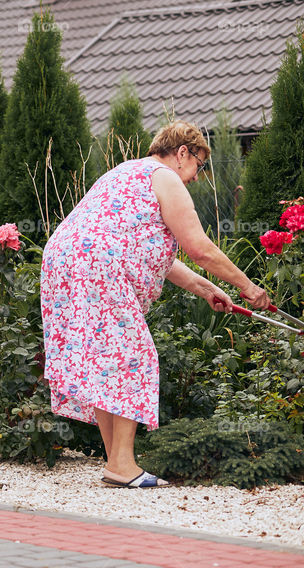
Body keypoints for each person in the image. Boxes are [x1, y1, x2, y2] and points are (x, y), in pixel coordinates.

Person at [40, 120, 271, 487]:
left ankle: (117, 462)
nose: (196, 177)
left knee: (106, 360)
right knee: (134, 354)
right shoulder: (166, 177)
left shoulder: (126, 171)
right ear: (183, 153)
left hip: (64, 262)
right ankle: (122, 465)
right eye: (198, 165)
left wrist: (208, 290)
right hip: (98, 265)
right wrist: (247, 286)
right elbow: (200, 248)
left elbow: (159, 254)